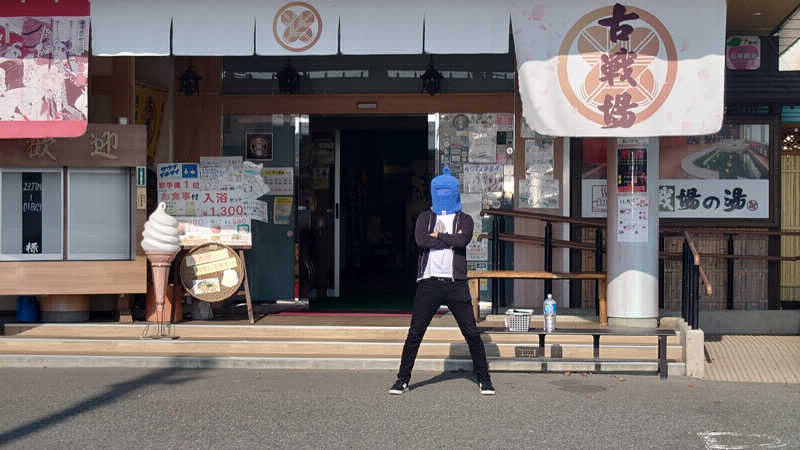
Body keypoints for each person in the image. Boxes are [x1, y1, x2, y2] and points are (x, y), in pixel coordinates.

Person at [389, 168, 495, 396]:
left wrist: (438, 237)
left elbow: (462, 240)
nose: (444, 193)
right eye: (441, 190)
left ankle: (484, 379)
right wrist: (448, 239)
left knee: (471, 332)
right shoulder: (425, 217)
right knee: (415, 332)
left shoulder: (464, 219)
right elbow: (420, 240)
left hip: (456, 283)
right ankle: (402, 379)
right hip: (429, 282)